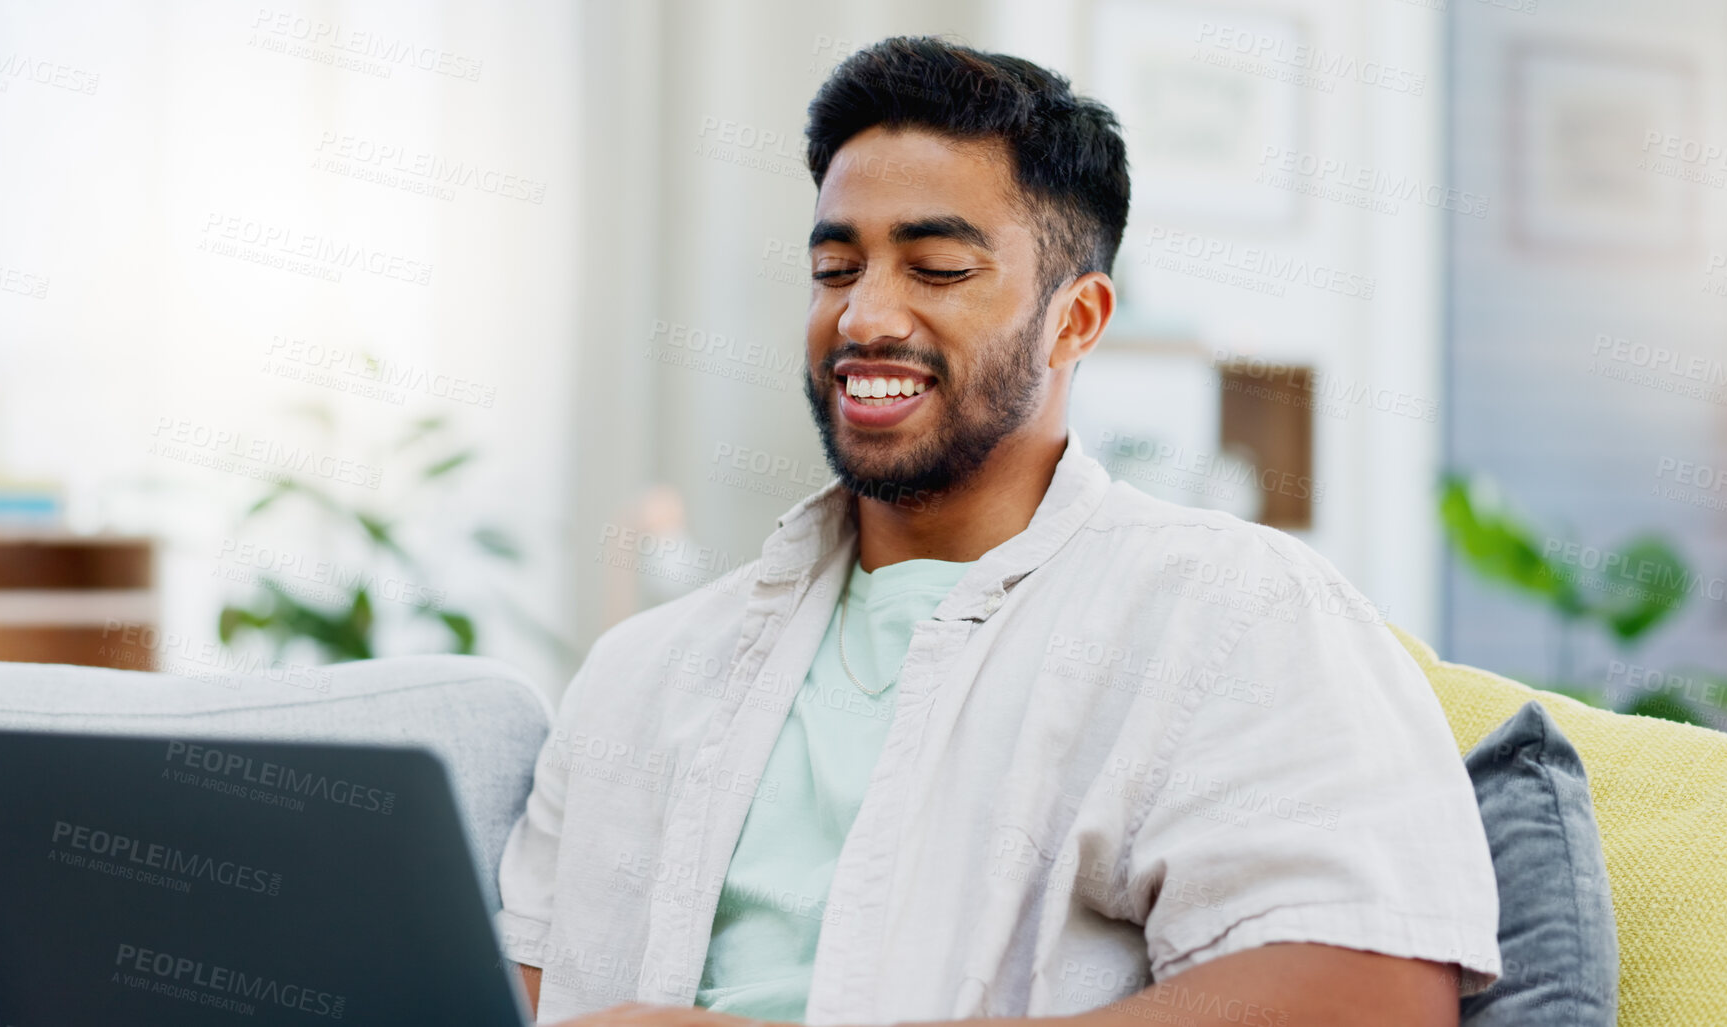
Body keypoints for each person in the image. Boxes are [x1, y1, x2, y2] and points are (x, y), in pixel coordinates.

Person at [500, 36, 1499, 1027]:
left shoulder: (1234, 607)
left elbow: (1375, 997)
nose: (864, 316)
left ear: (1077, 321)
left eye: (935, 268)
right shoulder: (643, 673)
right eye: (836, 266)